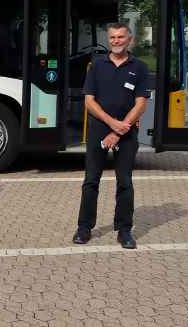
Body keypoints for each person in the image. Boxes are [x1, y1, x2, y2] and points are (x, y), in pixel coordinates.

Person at [73, 22, 149, 249]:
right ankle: (84, 228)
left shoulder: (140, 67)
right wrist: (112, 124)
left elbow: (141, 103)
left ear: (130, 40)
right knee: (90, 181)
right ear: (109, 40)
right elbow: (89, 101)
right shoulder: (96, 66)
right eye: (113, 37)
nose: (116, 41)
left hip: (125, 133)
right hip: (99, 129)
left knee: (124, 182)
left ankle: (124, 230)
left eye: (121, 37)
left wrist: (119, 130)